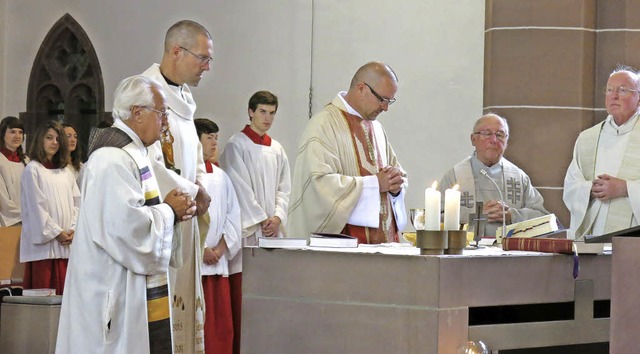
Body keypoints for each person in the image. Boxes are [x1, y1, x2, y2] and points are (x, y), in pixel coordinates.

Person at [56, 75, 197, 354]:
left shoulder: (134, 153)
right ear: (137, 113)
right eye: (162, 113)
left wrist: (173, 210)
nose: (166, 121)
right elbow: (127, 230)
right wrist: (169, 210)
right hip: (110, 290)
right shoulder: (111, 159)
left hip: (127, 286)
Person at [141, 19, 213, 353]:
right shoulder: (144, 94)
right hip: (158, 220)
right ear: (176, 51)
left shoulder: (183, 98)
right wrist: (192, 191)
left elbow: (194, 153)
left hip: (184, 220)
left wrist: (199, 184)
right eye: (202, 58)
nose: (207, 67)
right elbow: (147, 161)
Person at [288, 62, 407, 244]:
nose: (385, 108)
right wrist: (375, 184)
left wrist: (396, 185)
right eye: (382, 99)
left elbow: (395, 173)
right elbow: (318, 186)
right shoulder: (324, 124)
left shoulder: (377, 128)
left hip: (383, 247)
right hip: (344, 251)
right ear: (361, 88)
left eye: (389, 101)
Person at [439, 113, 548, 237]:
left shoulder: (519, 177)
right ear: (473, 139)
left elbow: (542, 218)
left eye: (500, 135)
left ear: (506, 142)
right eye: (487, 133)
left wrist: (511, 215)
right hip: (466, 251)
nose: (494, 140)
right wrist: (477, 213)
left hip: (510, 252)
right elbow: (436, 216)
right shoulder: (455, 176)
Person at [564, 66, 640, 238]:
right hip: (594, 232)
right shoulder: (587, 138)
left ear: (639, 98)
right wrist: (589, 189)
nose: (614, 96)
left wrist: (625, 188)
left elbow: (624, 188)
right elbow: (571, 186)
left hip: (634, 238)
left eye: (622, 90)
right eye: (609, 90)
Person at [194, 118, 242, 354]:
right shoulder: (187, 176)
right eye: (208, 137)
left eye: (216, 137)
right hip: (195, 263)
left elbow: (234, 215)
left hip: (218, 261)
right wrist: (199, 249)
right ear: (196, 141)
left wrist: (222, 248)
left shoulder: (222, 177)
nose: (214, 143)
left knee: (220, 328)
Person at [219, 91, 291, 244]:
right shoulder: (237, 145)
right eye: (262, 111)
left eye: (272, 113)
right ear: (251, 112)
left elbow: (284, 189)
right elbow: (239, 188)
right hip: (249, 227)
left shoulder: (277, 149)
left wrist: (278, 217)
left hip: (273, 229)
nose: (268, 118)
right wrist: (262, 219)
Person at [20, 120, 80, 295]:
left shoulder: (66, 172)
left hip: (66, 246)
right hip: (44, 251)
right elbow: (36, 208)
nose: (54, 142)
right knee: (45, 302)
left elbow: (77, 203)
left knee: (67, 299)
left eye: (57, 139)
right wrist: (57, 233)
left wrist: (73, 229)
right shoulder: (33, 170)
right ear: (40, 140)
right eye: (49, 138)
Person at [0, 116, 28, 227]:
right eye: (12, 132)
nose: (17, 136)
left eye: (20, 132)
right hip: (6, 220)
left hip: (28, 219)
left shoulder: (27, 161)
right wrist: (25, 215)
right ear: (2, 134)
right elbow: (3, 200)